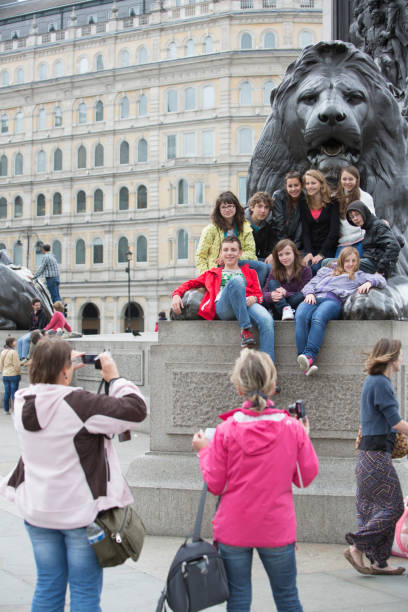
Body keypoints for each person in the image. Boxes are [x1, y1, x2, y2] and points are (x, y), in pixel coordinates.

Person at [0, 337, 147, 609]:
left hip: (38, 511)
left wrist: (59, 367)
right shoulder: (80, 404)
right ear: (66, 370)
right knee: (84, 593)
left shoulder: (22, 402)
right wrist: (114, 378)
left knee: (47, 586)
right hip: (80, 514)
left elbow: (47, 393)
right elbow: (136, 410)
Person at [192, 348, 319, 611]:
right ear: (273, 386)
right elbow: (305, 477)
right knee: (287, 598)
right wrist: (303, 437)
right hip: (276, 527)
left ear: (239, 388)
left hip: (234, 529)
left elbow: (215, 484)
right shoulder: (291, 428)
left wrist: (204, 451)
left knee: (238, 599)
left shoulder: (227, 431)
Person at [345, 338, 408, 575]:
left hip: (366, 457)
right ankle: (357, 544)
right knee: (392, 507)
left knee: (370, 509)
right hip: (377, 458)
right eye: (400, 355)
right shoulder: (381, 383)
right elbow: (395, 422)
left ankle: (379, 563)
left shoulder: (373, 381)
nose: (402, 359)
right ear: (392, 358)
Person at [172, 236, 275, 362]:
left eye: (233, 250)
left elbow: (259, 295)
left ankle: (270, 376)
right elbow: (189, 284)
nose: (229, 253)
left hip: (247, 305)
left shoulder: (251, 272)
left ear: (240, 253)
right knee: (236, 281)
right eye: (226, 250)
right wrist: (176, 295)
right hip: (224, 308)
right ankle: (246, 330)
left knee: (267, 321)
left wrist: (254, 298)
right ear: (221, 253)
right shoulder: (212, 273)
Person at [295, 247, 386, 376]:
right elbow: (310, 284)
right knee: (300, 316)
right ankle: (302, 359)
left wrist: (370, 282)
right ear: (341, 261)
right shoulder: (325, 270)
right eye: (347, 261)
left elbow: (382, 280)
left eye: (353, 261)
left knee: (318, 317)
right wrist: (309, 293)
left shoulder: (359, 275)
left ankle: (309, 356)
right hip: (314, 297)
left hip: (333, 301)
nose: (350, 264)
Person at [195, 191, 270, 287]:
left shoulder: (245, 227)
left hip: (239, 262)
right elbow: (200, 256)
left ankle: (258, 295)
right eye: (223, 207)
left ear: (236, 207)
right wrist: (206, 276)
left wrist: (231, 256)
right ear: (218, 210)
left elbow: (251, 253)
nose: (227, 209)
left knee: (265, 267)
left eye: (230, 206)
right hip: (218, 266)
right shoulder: (211, 229)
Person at [346, 201, 401, 277]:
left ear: (364, 212)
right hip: (370, 262)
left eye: (357, 214)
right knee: (330, 262)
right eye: (352, 217)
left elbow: (394, 246)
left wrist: (380, 270)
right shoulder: (368, 229)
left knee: (333, 263)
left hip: (375, 265)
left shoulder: (377, 226)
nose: (355, 218)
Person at [300, 169, 340, 274]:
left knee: (316, 269)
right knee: (303, 268)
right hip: (310, 248)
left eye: (313, 183)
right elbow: (305, 231)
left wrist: (321, 254)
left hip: (327, 248)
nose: (310, 186)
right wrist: (308, 252)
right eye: (307, 183)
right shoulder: (304, 203)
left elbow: (334, 231)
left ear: (321, 184)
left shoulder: (332, 202)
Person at [262, 239, 312, 321]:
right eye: (280, 255)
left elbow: (304, 292)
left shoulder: (305, 270)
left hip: (294, 302)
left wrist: (285, 293)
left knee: (301, 296)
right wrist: (271, 296)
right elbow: (264, 294)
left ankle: (282, 310)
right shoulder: (275, 270)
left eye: (287, 253)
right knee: (272, 283)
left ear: (294, 253)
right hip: (280, 304)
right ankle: (285, 309)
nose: (284, 257)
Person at [334, 166, 375, 257]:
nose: (347, 182)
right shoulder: (336, 198)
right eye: (344, 179)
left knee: (355, 267)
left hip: (361, 240)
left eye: (350, 179)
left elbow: (371, 220)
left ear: (357, 180)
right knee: (338, 268)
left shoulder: (365, 197)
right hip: (343, 242)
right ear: (340, 180)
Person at [271, 171, 306, 254]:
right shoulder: (278, 196)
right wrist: (286, 246)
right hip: (278, 241)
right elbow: (279, 224)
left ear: (301, 185)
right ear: (286, 187)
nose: (293, 189)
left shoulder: (304, 199)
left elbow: (301, 225)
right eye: (290, 186)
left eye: (296, 185)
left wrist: (295, 247)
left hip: (297, 245)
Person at [245, 191, 277, 260]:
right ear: (251, 207)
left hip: (257, 259)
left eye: (266, 207)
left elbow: (268, 250)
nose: (263, 211)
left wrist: (272, 254)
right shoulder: (240, 222)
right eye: (259, 206)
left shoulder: (267, 227)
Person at [0, 337, 21, 414]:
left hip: (5, 374)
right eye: (15, 341)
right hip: (13, 374)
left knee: (7, 392)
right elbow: (17, 365)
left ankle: (6, 410)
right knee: (14, 393)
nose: (16, 342)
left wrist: (3, 372)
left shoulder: (3, 352)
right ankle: (15, 410)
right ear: (11, 343)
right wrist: (18, 372)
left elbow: (1, 364)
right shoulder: (13, 352)